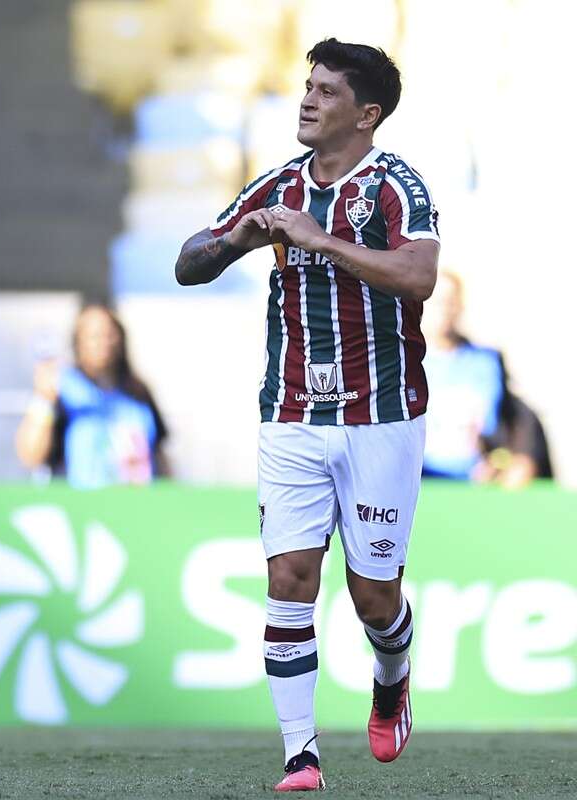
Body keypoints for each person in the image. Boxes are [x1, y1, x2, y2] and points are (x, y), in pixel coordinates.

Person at [175, 39, 439, 791]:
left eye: (326, 91)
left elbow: (418, 276)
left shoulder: (394, 188)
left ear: (367, 113)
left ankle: (392, 674)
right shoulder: (279, 185)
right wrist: (233, 240)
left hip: (381, 414)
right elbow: (186, 264)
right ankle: (301, 754)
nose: (307, 99)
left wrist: (321, 241)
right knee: (290, 574)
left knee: (372, 595)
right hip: (291, 409)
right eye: (307, 85)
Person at [15, 303, 169, 487]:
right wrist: (43, 399)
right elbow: (31, 455)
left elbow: (159, 453)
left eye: (108, 334)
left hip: (134, 504)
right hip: (81, 507)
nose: (102, 342)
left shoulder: (137, 392)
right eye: (93, 336)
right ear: (78, 341)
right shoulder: (62, 388)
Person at [421, 271, 551, 487]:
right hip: (419, 479)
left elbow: (515, 418)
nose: (444, 310)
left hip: (478, 480)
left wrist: (521, 459)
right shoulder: (401, 364)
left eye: (450, 302)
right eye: (436, 302)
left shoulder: (487, 362)